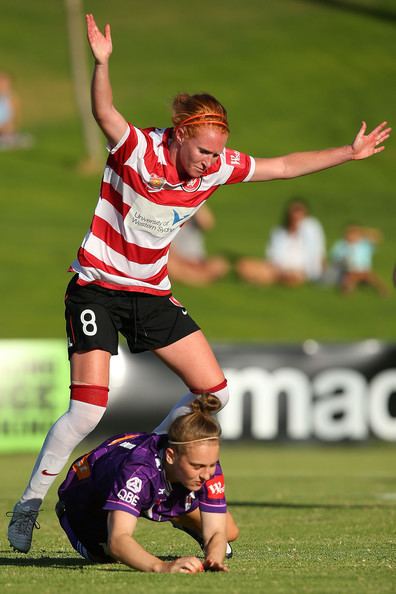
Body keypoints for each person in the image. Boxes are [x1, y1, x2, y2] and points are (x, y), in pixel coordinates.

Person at [7, 12, 391, 554]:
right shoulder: (138, 150)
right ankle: (27, 507)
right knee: (88, 409)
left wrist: (347, 154)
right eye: (204, 151)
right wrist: (102, 63)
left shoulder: (215, 168)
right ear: (182, 136)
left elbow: (281, 166)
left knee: (215, 393)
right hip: (96, 286)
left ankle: (152, 457)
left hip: (151, 294)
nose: (212, 163)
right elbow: (103, 111)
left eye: (217, 154)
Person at [56, 394, 237, 572]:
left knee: (229, 531)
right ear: (171, 456)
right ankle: (65, 512)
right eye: (197, 466)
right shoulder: (138, 472)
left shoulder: (203, 460)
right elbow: (118, 541)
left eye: (212, 465)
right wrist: (162, 566)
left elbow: (216, 533)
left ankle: (174, 513)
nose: (207, 475)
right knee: (106, 556)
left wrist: (213, 559)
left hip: (154, 478)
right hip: (84, 498)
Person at [236, 199, 326, 286]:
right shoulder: (279, 232)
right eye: (294, 211)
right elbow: (272, 255)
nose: (296, 215)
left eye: (299, 211)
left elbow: (317, 254)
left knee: (290, 276)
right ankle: (265, 278)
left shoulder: (311, 228)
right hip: (278, 269)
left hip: (300, 271)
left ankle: (264, 280)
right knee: (243, 265)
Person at [168, 203, 230, 286]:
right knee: (208, 224)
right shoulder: (197, 256)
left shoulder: (194, 210)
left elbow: (207, 223)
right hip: (176, 256)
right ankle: (194, 198)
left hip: (197, 259)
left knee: (219, 265)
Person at [329, 224, 389, 295]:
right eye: (349, 233)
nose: (352, 236)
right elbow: (335, 257)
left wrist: (365, 232)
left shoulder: (364, 244)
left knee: (373, 279)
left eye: (355, 234)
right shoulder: (341, 244)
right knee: (348, 282)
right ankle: (348, 289)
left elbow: (377, 237)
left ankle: (383, 291)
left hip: (364, 271)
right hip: (349, 271)